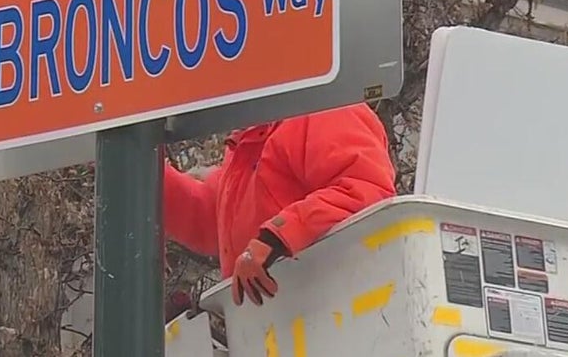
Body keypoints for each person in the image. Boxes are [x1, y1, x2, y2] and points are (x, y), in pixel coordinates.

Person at [164, 103, 396, 307]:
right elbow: (213, 221)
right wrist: (147, 174)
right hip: (285, 331)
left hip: (340, 322)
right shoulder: (253, 138)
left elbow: (366, 189)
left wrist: (277, 237)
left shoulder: (323, 108)